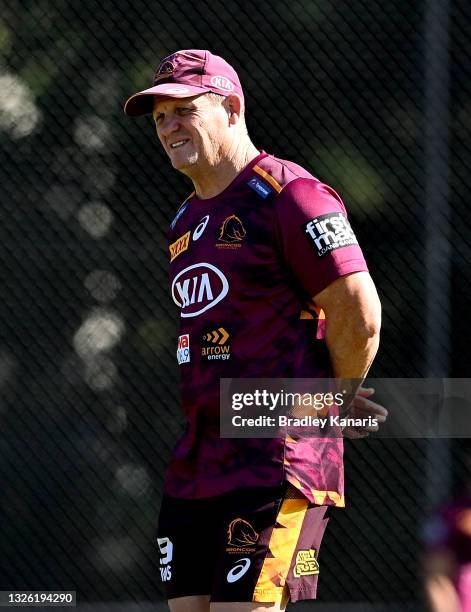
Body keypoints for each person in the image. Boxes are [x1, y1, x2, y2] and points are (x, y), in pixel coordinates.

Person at [124, 49, 384, 612]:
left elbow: (359, 314)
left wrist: (329, 404)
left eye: (184, 109)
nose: (168, 127)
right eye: (159, 117)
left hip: (276, 457)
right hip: (198, 461)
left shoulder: (292, 195)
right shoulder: (184, 220)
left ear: (232, 107)